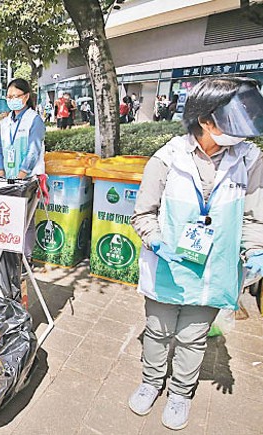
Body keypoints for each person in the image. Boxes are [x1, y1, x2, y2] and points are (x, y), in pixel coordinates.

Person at [129, 77, 263, 430]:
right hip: (168, 267)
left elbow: (253, 215)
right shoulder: (168, 157)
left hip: (214, 269)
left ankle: (180, 393)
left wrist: (256, 249)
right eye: (234, 121)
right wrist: (156, 240)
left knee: (193, 336)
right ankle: (150, 381)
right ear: (206, 120)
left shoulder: (249, 159)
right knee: (157, 329)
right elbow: (143, 213)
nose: (242, 132)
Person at [0, 78, 46, 259]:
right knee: (9, 218)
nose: (12, 100)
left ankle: (26, 257)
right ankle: (11, 255)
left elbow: (34, 151)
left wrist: (21, 175)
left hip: (27, 179)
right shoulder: (4, 123)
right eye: (9, 96)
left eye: (16, 96)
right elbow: (0, 150)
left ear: (26, 97)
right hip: (8, 178)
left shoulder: (34, 120)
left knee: (26, 219)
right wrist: (1, 172)